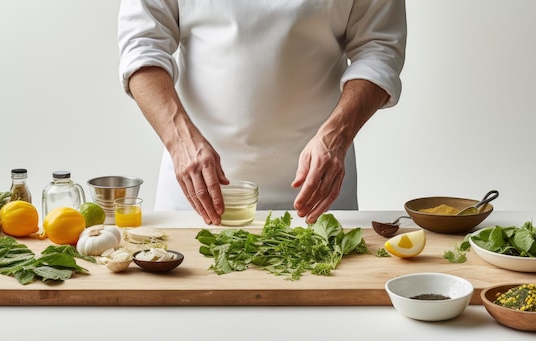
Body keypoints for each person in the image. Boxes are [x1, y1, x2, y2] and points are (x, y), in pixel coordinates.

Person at [118, 0, 406, 225]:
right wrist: (181, 143)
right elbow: (142, 45)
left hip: (317, 193)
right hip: (196, 191)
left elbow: (379, 47)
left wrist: (337, 135)